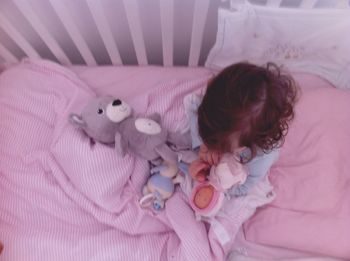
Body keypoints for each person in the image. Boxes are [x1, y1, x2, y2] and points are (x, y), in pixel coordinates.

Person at [188, 62, 298, 196]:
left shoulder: (260, 159)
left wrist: (213, 182)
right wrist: (203, 146)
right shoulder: (214, 103)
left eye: (224, 146)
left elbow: (243, 188)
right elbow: (200, 115)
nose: (215, 146)